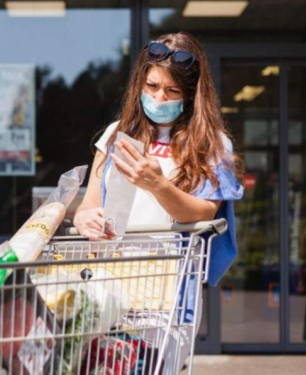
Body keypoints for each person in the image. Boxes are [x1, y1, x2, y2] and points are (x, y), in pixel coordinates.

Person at [74, 32, 244, 373]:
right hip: (107, 288)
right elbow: (88, 203)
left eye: (172, 91)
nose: (158, 97)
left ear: (192, 94)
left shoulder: (212, 145)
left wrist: (157, 185)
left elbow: (203, 214)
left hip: (166, 295)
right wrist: (84, 218)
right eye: (151, 86)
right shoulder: (116, 134)